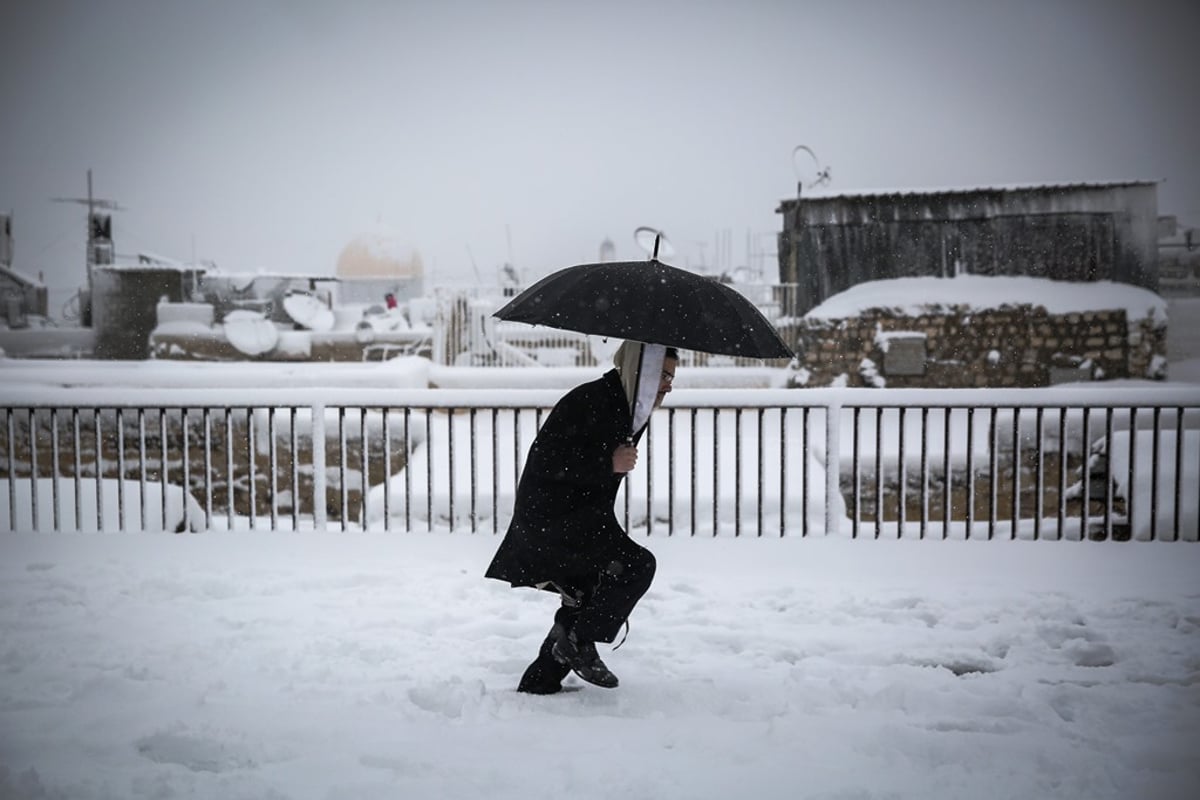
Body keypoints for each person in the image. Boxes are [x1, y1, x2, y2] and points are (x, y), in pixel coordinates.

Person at [485, 341, 678, 692]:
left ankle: (541, 681)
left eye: (671, 378)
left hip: (582, 516)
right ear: (639, 368)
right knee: (634, 567)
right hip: (554, 518)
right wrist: (608, 463)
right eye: (662, 375)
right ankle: (575, 643)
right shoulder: (591, 400)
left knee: (589, 590)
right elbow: (548, 462)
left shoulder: (630, 405)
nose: (667, 385)